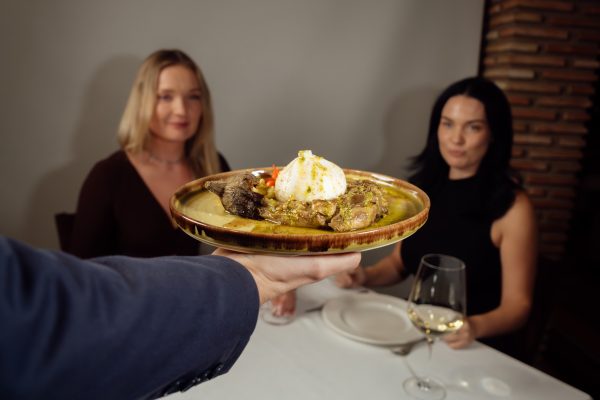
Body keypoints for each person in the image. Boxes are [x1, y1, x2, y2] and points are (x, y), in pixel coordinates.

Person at [0, 236, 360, 399]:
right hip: (161, 330)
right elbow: (52, 317)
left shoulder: (212, 166)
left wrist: (250, 275)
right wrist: (251, 278)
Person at [336, 77, 538, 354]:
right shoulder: (422, 192)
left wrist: (474, 326)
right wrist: (365, 276)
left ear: (493, 134)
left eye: (473, 127)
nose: (456, 138)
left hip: (476, 346)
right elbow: (398, 263)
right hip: (421, 334)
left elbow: (518, 307)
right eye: (448, 124)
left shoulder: (514, 207)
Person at [69, 49, 229, 258]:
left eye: (193, 96)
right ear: (142, 102)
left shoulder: (215, 167)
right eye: (165, 97)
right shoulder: (108, 176)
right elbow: (82, 270)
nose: (181, 110)